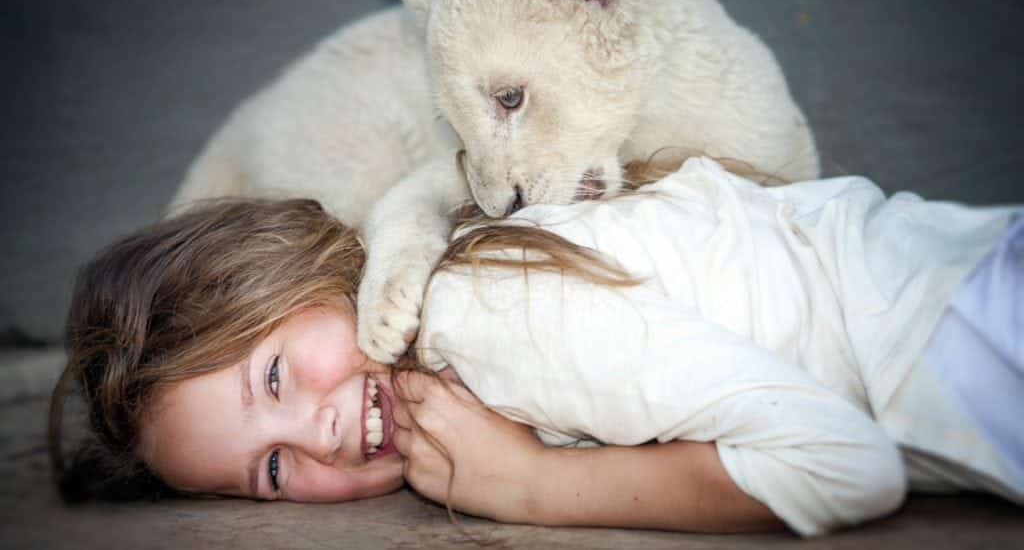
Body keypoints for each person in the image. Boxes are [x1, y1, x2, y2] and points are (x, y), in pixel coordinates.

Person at [49, 157, 1022, 536]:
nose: (323, 431)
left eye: (274, 374)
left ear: (294, 270)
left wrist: (527, 487)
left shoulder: (481, 315)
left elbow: (846, 464)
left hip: (965, 320)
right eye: (269, 469)